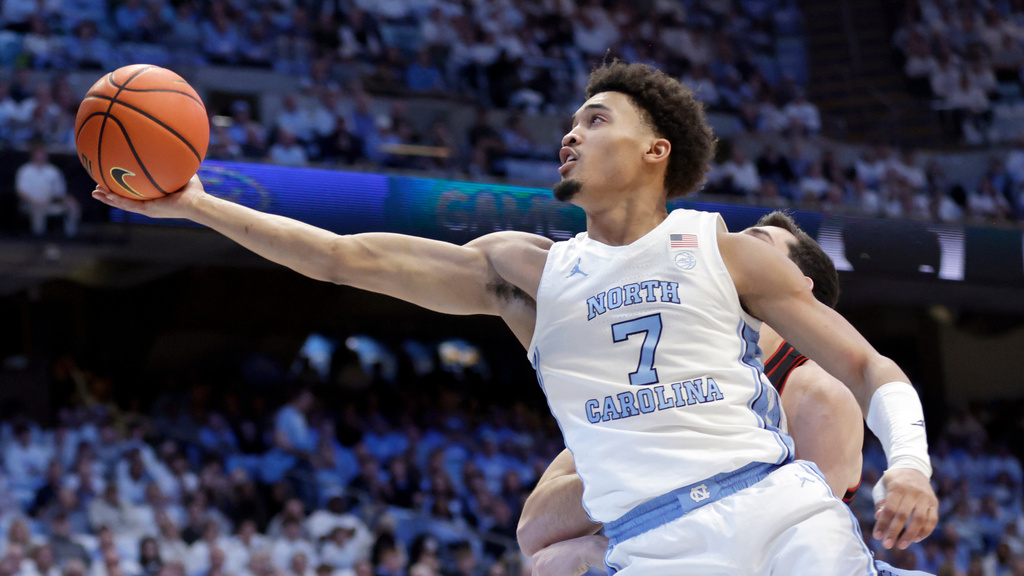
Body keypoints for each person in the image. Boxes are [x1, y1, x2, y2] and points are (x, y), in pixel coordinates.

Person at [91, 61, 937, 574]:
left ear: (656, 152)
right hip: (654, 545)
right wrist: (198, 205)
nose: (571, 134)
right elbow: (343, 258)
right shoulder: (526, 269)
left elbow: (870, 368)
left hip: (777, 515)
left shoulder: (723, 250)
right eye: (570, 121)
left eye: (595, 120)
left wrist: (908, 465)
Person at [515, 210, 866, 569]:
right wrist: (640, 463)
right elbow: (532, 530)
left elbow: (802, 555)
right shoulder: (669, 370)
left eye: (754, 243)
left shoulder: (818, 395)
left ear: (793, 283)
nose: (727, 250)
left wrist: (602, 549)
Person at [16, 144, 79, 237]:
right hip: (31, 203)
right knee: (39, 207)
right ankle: (39, 238)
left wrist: (67, 200)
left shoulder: (53, 170)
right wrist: (35, 201)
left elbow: (59, 192)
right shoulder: (25, 170)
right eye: (38, 154)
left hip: (50, 201)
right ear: (33, 155)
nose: (41, 156)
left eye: (43, 154)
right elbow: (20, 191)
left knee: (72, 205)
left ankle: (70, 235)